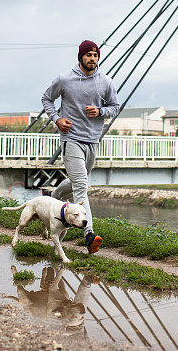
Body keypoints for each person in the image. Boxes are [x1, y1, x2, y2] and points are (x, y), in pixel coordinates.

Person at [41, 40, 119, 254]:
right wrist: (57, 119)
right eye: (88, 55)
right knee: (82, 186)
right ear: (81, 57)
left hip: (93, 140)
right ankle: (89, 235)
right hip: (71, 139)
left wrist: (100, 111)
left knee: (77, 182)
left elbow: (115, 107)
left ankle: (53, 198)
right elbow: (47, 98)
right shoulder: (65, 79)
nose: (92, 58)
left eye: (95, 55)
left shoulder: (105, 82)